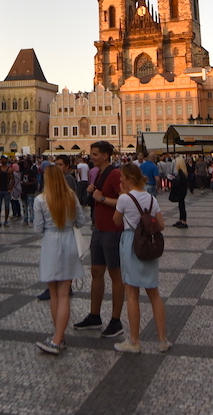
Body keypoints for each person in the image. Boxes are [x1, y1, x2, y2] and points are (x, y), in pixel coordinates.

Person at [112, 163, 171, 354]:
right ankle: (162, 340)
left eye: (122, 177)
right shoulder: (151, 198)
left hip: (131, 242)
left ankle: (134, 341)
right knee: (154, 293)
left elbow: (116, 220)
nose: (120, 180)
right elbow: (160, 225)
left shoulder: (124, 199)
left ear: (129, 178)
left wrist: (122, 196)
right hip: (149, 243)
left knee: (132, 294)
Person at [73, 141, 125, 338]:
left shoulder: (114, 174)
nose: (91, 157)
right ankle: (95, 316)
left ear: (105, 155)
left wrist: (101, 198)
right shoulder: (101, 173)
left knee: (115, 275)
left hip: (113, 231)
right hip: (99, 230)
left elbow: (124, 200)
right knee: (96, 271)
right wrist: (93, 194)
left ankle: (116, 320)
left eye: (95, 154)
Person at [33, 166, 85, 354]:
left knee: (54, 294)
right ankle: (58, 336)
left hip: (51, 244)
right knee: (64, 293)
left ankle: (57, 338)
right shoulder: (71, 196)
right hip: (69, 242)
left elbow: (37, 228)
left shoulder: (40, 200)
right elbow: (81, 220)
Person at [169, 154, 189, 228]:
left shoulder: (180, 172)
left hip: (181, 191)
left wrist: (173, 180)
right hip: (183, 190)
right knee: (180, 206)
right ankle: (181, 220)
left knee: (182, 206)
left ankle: (184, 221)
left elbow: (180, 182)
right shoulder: (183, 171)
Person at [19, 159, 39, 226]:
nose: (25, 165)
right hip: (24, 191)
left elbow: (35, 181)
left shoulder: (32, 172)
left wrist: (28, 184)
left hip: (30, 191)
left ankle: (31, 220)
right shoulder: (23, 172)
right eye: (24, 164)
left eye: (26, 163)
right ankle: (25, 219)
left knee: (31, 207)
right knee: (24, 207)